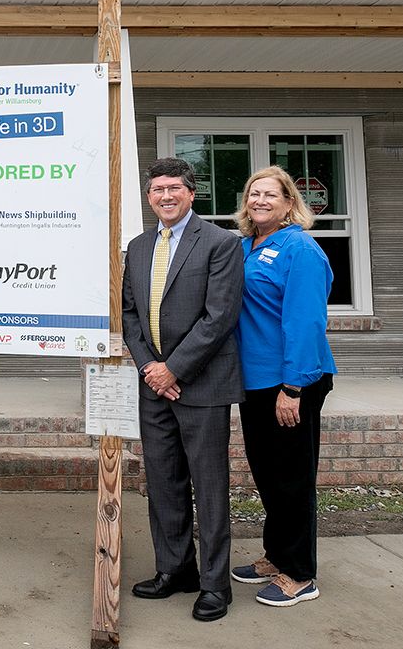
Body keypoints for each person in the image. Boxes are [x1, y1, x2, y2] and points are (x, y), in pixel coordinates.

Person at [121, 156, 244, 622]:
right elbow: (130, 314)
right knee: (164, 483)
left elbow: (220, 318)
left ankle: (215, 585)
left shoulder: (220, 243)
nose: (166, 196)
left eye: (175, 188)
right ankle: (175, 570)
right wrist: (151, 367)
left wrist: (174, 368)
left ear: (192, 193)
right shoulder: (137, 246)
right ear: (149, 197)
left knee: (209, 486)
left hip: (202, 384)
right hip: (154, 383)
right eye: (158, 190)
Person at [231, 166, 336, 608]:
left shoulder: (300, 249)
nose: (260, 200)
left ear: (290, 202)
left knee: (292, 478)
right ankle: (277, 556)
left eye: (270, 194)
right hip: (254, 380)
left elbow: (306, 321)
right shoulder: (245, 247)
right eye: (254, 193)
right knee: (269, 476)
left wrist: (292, 388)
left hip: (291, 381)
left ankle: (300, 573)